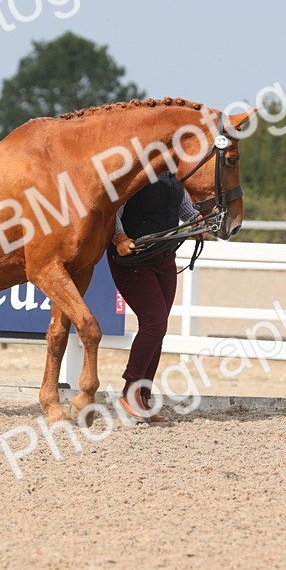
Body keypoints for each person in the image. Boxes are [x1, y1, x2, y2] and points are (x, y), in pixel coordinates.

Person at [108, 171, 200, 423]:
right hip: (132, 255)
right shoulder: (134, 170)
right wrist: (118, 237)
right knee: (154, 323)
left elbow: (183, 207)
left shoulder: (174, 175)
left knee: (159, 327)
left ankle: (143, 397)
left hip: (164, 255)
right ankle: (130, 392)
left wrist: (198, 221)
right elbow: (116, 208)